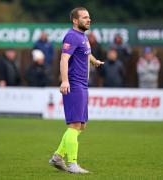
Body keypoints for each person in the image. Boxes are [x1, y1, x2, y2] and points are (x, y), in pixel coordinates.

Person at [49, 7, 104, 174]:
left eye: (89, 17)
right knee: (75, 124)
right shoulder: (72, 36)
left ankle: (58, 157)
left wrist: (94, 61)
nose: (89, 20)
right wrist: (65, 80)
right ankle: (73, 164)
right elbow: (64, 59)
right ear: (75, 20)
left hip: (82, 85)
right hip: (74, 84)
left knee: (81, 125)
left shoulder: (82, 36)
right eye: (85, 17)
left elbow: (85, 53)